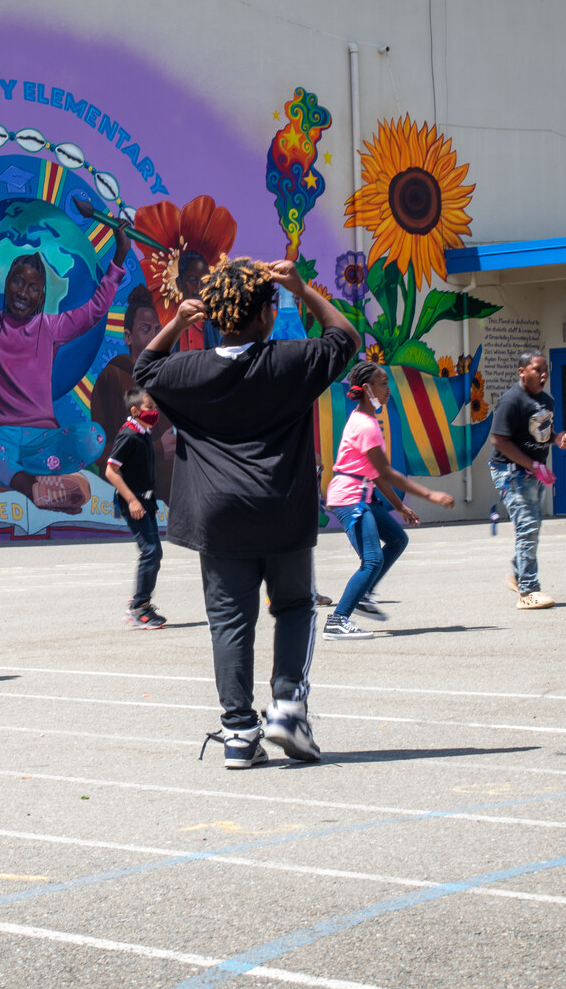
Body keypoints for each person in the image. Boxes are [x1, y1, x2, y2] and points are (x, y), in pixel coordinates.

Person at [134, 257, 359, 769]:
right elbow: (344, 337)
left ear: (214, 314)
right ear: (267, 313)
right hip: (281, 508)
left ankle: (238, 733)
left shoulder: (188, 370)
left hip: (219, 518)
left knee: (230, 621)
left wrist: (178, 322)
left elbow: (145, 368)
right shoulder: (290, 361)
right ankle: (287, 711)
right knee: (295, 608)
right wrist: (303, 288)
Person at [0, 184, 126, 512]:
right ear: (6, 284)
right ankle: (31, 485)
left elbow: (95, 308)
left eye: (34, 287)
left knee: (93, 437)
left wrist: (119, 255)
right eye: (18, 282)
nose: (24, 291)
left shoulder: (51, 329)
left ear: (42, 296)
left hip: (41, 442)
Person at [322, 363, 457, 640]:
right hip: (350, 498)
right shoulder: (364, 425)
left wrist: (398, 506)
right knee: (371, 560)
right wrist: (430, 495)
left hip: (362, 494)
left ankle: (363, 594)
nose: (388, 389)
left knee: (397, 539)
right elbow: (386, 472)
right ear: (368, 389)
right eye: (383, 383)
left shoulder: (368, 422)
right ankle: (337, 620)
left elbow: (376, 475)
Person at [487, 351, 566, 610]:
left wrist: (556, 438)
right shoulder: (511, 401)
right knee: (528, 527)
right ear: (522, 371)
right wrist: (531, 464)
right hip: (511, 472)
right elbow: (499, 440)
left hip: (533, 472)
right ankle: (528, 591)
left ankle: (518, 575)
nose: (543, 375)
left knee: (531, 527)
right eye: (536, 370)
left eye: (545, 370)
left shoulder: (546, 400)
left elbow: (539, 431)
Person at [92, 285, 177, 500]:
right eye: (145, 329)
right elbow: (100, 451)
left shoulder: (170, 377)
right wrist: (156, 448)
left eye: (159, 330)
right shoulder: (113, 378)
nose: (155, 337)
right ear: (128, 337)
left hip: (172, 497)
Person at [103, 386, 167, 630]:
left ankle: (141, 600)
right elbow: (111, 470)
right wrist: (132, 500)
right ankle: (139, 608)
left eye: (154, 407)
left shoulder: (143, 432)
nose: (154, 411)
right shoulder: (129, 435)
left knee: (154, 552)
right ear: (135, 410)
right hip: (134, 502)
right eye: (149, 407)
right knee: (150, 552)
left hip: (145, 501)